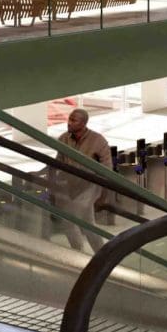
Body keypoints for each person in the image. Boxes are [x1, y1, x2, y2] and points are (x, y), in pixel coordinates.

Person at [50, 108, 111, 254]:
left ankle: (79, 253)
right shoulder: (64, 138)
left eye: (73, 120)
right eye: (69, 119)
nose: (69, 123)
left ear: (83, 123)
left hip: (89, 186)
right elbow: (58, 162)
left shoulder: (98, 141)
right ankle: (101, 254)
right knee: (87, 224)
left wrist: (103, 195)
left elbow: (107, 170)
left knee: (70, 221)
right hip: (70, 186)